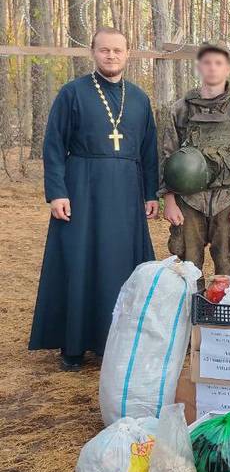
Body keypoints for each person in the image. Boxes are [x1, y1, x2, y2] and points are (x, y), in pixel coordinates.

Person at [30, 27, 159, 371]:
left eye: (118, 50)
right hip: (83, 189)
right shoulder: (72, 93)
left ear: (128, 53)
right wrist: (57, 192)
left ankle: (115, 342)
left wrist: (150, 193)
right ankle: (74, 345)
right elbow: (54, 145)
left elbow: (149, 151)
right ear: (93, 52)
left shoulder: (140, 98)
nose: (111, 56)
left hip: (127, 194)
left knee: (120, 264)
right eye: (105, 50)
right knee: (81, 261)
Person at [160, 42, 230, 276]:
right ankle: (190, 310)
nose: (212, 68)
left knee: (226, 265)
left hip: (229, 199)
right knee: (187, 266)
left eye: (219, 63)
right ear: (199, 68)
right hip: (188, 201)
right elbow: (166, 156)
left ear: (228, 69)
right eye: (207, 63)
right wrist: (170, 200)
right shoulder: (180, 110)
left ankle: (223, 310)